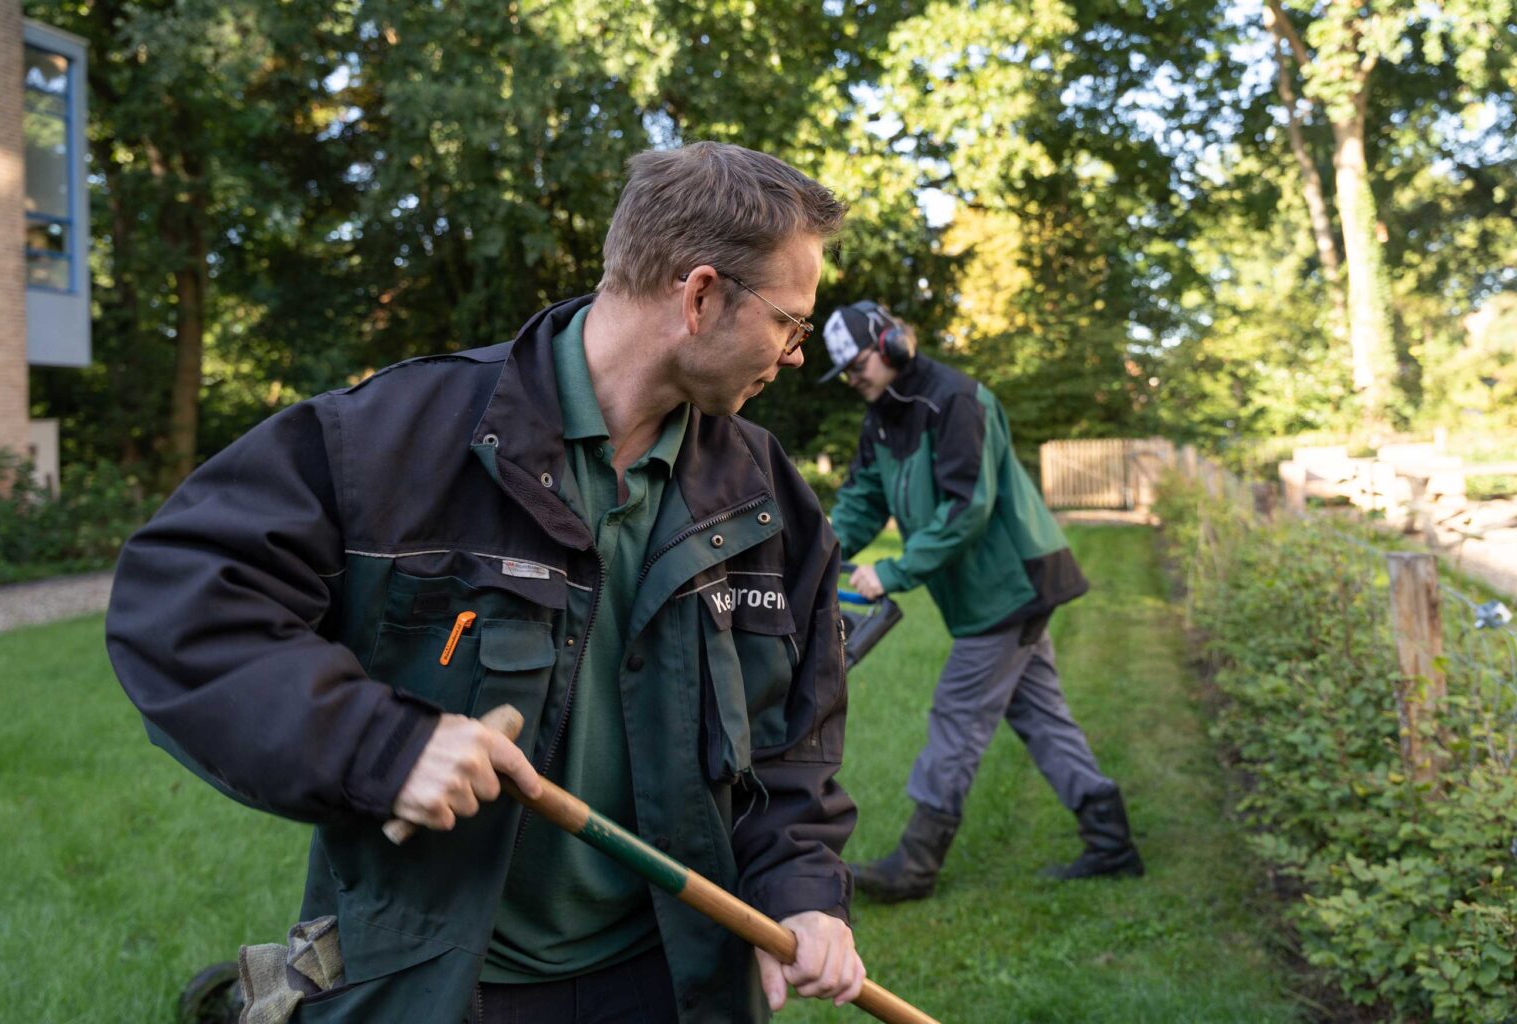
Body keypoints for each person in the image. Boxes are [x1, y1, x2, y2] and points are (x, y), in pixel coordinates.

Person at [106, 142, 865, 1024]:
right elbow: (177, 603)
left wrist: (804, 889)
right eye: (791, 322)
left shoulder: (768, 500)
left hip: (676, 979)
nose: (798, 353)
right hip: (442, 986)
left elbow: (794, 752)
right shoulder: (392, 443)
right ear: (699, 296)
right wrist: (379, 745)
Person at [821, 300, 1144, 903]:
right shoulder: (883, 416)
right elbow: (864, 498)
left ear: (892, 344)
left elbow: (966, 507)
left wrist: (892, 571)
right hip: (992, 592)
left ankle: (916, 865)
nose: (853, 378)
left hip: (1012, 586)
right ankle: (1111, 841)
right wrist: (819, 554)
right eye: (843, 372)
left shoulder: (957, 400)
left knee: (958, 713)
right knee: (1040, 714)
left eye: (857, 363)